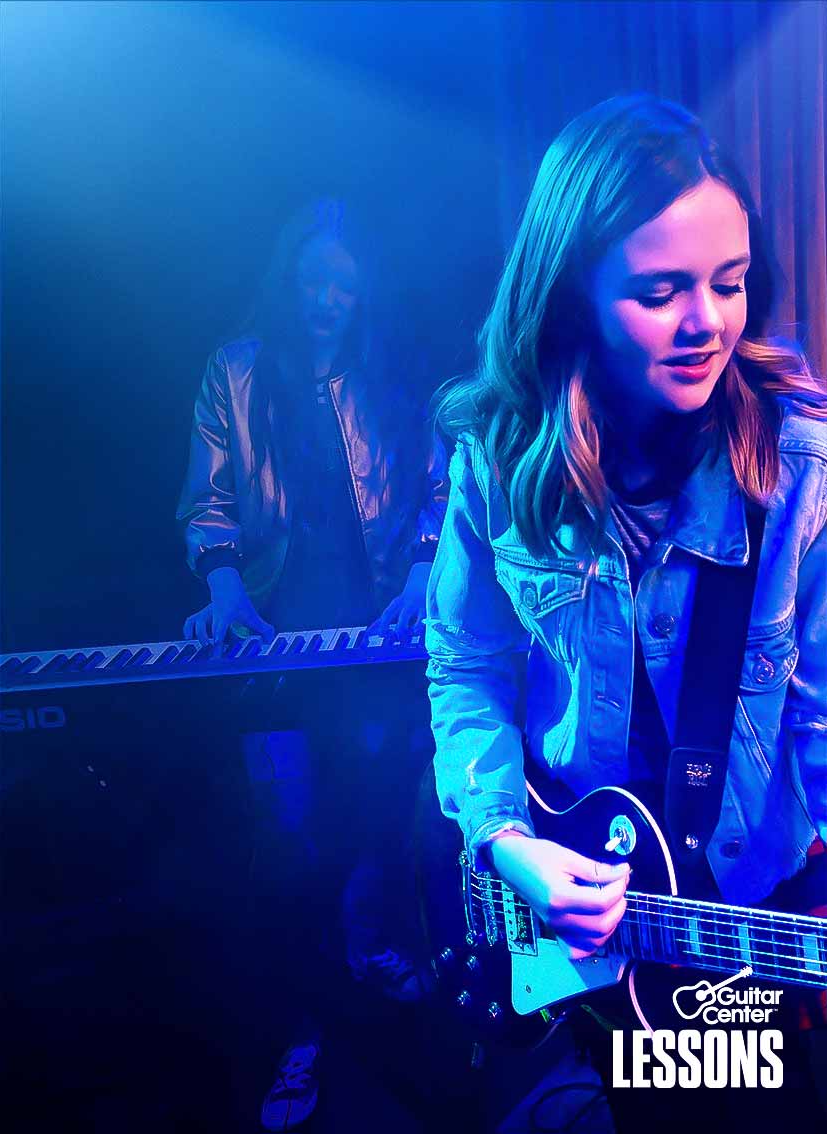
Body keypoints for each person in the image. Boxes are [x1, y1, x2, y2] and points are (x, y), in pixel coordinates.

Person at [425, 94, 826, 1132]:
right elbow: (465, 668)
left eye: (730, 284)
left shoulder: (800, 475)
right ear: (573, 299)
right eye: (661, 290)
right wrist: (507, 840)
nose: (709, 323)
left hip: (744, 925)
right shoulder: (497, 454)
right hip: (566, 912)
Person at [177, 198, 446, 1129]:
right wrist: (222, 589)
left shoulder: (393, 375)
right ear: (288, 283)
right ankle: (300, 1027)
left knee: (378, 818)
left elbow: (441, 488)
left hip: (378, 641)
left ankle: (364, 961)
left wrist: (420, 574)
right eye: (312, 282)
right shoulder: (237, 370)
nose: (327, 300)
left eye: (343, 285)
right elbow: (207, 501)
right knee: (286, 847)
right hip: (280, 642)